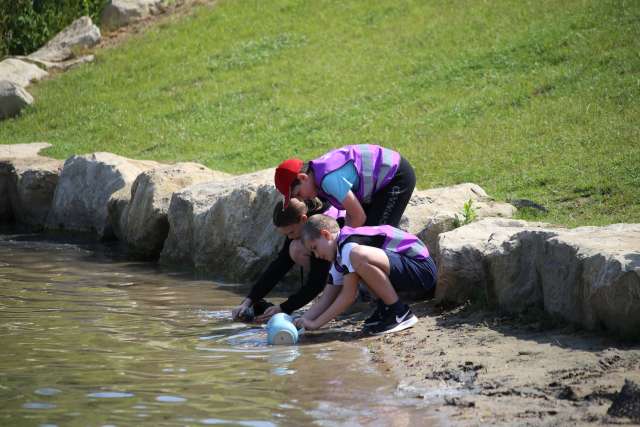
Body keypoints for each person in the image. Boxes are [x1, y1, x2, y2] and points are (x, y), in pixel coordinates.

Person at [294, 214, 437, 335]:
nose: (317, 255)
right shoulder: (339, 255)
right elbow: (327, 298)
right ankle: (386, 309)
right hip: (408, 270)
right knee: (356, 262)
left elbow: (348, 296)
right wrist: (302, 321)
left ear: (326, 235)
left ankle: (399, 312)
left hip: (421, 269)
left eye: (315, 248)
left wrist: (316, 324)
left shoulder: (348, 246)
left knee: (357, 256)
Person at [231, 198, 344, 323]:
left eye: (291, 232)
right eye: (286, 235)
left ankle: (335, 291)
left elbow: (316, 282)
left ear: (303, 219)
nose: (290, 237)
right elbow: (279, 267)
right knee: (294, 247)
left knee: (297, 249)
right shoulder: (299, 225)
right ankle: (328, 293)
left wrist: (284, 307)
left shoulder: (316, 231)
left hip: (346, 259)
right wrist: (248, 301)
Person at [274, 144, 416, 229]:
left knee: (376, 238)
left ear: (302, 177)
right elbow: (351, 213)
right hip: (380, 185)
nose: (302, 199)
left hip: (395, 176)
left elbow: (358, 217)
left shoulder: (328, 180)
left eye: (298, 194)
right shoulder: (317, 175)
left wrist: (342, 246)